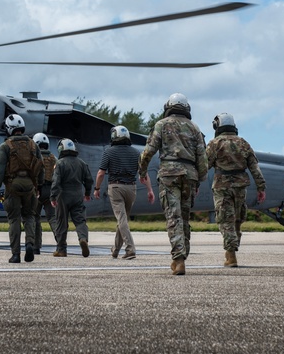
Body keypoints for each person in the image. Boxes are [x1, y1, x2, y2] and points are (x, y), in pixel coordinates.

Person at [138, 93, 207, 276]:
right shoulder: (195, 128)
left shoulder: (162, 125)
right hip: (189, 175)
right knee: (184, 217)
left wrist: (142, 171)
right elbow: (202, 158)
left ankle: (178, 259)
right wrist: (199, 179)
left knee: (173, 216)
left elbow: (148, 151)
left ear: (168, 106)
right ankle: (183, 256)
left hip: (169, 174)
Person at [205, 113, 266, 268]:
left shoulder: (214, 144)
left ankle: (231, 255)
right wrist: (261, 187)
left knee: (226, 220)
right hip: (240, 187)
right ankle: (232, 249)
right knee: (237, 219)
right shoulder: (244, 143)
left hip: (222, 186)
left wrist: (194, 183)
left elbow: (204, 166)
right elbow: (254, 167)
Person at [0, 114, 44, 263]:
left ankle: (15, 254)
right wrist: (39, 185)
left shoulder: (5, 146)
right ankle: (29, 244)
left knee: (14, 219)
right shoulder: (33, 145)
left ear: (9, 128)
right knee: (29, 217)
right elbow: (41, 167)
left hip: (12, 185)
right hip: (30, 186)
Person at [94, 125, 151, 260]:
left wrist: (96, 188)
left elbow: (101, 172)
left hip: (116, 188)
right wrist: (149, 190)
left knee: (121, 219)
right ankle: (115, 250)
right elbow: (144, 174)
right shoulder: (136, 152)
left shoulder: (109, 152)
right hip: (131, 189)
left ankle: (130, 249)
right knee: (122, 219)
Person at [50, 138, 94, 257]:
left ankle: (61, 250)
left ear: (61, 149)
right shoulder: (82, 163)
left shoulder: (60, 163)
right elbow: (89, 180)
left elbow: (56, 182)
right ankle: (83, 238)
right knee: (80, 221)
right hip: (77, 194)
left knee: (61, 222)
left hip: (63, 195)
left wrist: (53, 197)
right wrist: (87, 193)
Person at [33, 132, 58, 255]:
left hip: (36, 190)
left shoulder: (35, 158)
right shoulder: (54, 158)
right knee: (52, 218)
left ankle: (36, 247)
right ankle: (60, 244)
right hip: (50, 191)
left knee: (35, 218)